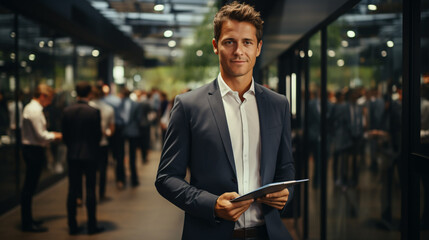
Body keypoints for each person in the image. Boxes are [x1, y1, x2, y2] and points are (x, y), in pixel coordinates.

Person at [155, 2, 295, 239]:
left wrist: (286, 192)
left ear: (258, 47)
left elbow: (285, 167)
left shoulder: (278, 104)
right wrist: (211, 204)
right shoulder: (188, 105)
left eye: (247, 42)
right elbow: (167, 178)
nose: (238, 51)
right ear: (215, 46)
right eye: (229, 41)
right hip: (210, 232)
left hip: (267, 233)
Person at [62, 82, 103, 235]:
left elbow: (65, 136)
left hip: (73, 154)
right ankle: (92, 225)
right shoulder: (93, 112)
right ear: (90, 93)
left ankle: (72, 225)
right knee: (91, 190)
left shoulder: (67, 110)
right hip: (90, 155)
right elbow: (97, 135)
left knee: (72, 190)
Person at [21, 84, 62, 232]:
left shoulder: (32, 108)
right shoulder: (34, 110)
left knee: (29, 187)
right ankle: (27, 222)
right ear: (43, 96)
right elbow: (41, 135)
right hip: (33, 150)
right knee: (29, 187)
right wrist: (56, 135)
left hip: (32, 149)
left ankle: (28, 219)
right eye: (50, 98)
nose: (50, 102)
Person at [89, 85, 115, 201]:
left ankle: (90, 194)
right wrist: (106, 133)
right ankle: (101, 193)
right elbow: (111, 128)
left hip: (90, 143)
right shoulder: (108, 108)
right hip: (103, 142)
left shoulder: (88, 107)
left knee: (90, 171)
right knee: (103, 170)